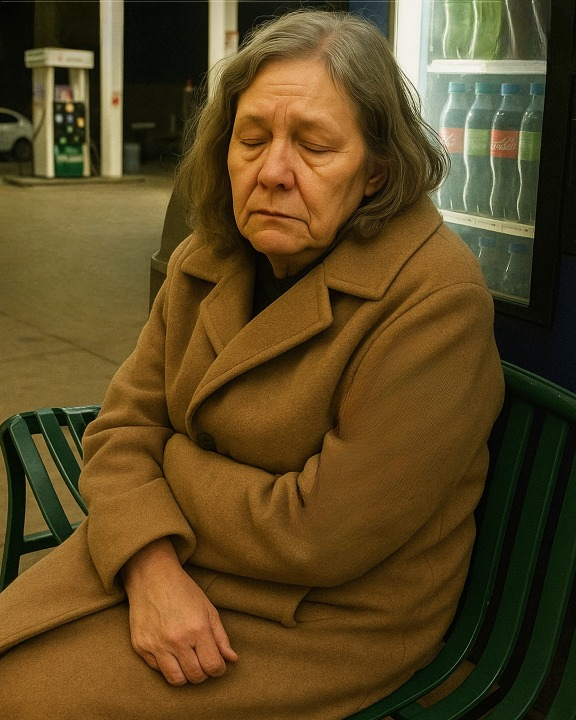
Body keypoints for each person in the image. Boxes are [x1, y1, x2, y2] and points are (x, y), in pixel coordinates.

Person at [0, 9, 504, 719]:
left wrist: (168, 462)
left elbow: (318, 537)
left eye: (315, 146)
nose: (272, 173)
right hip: (173, 561)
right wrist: (149, 564)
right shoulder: (207, 256)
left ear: (376, 172)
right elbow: (120, 432)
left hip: (319, 618)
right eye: (252, 138)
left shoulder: (434, 300)